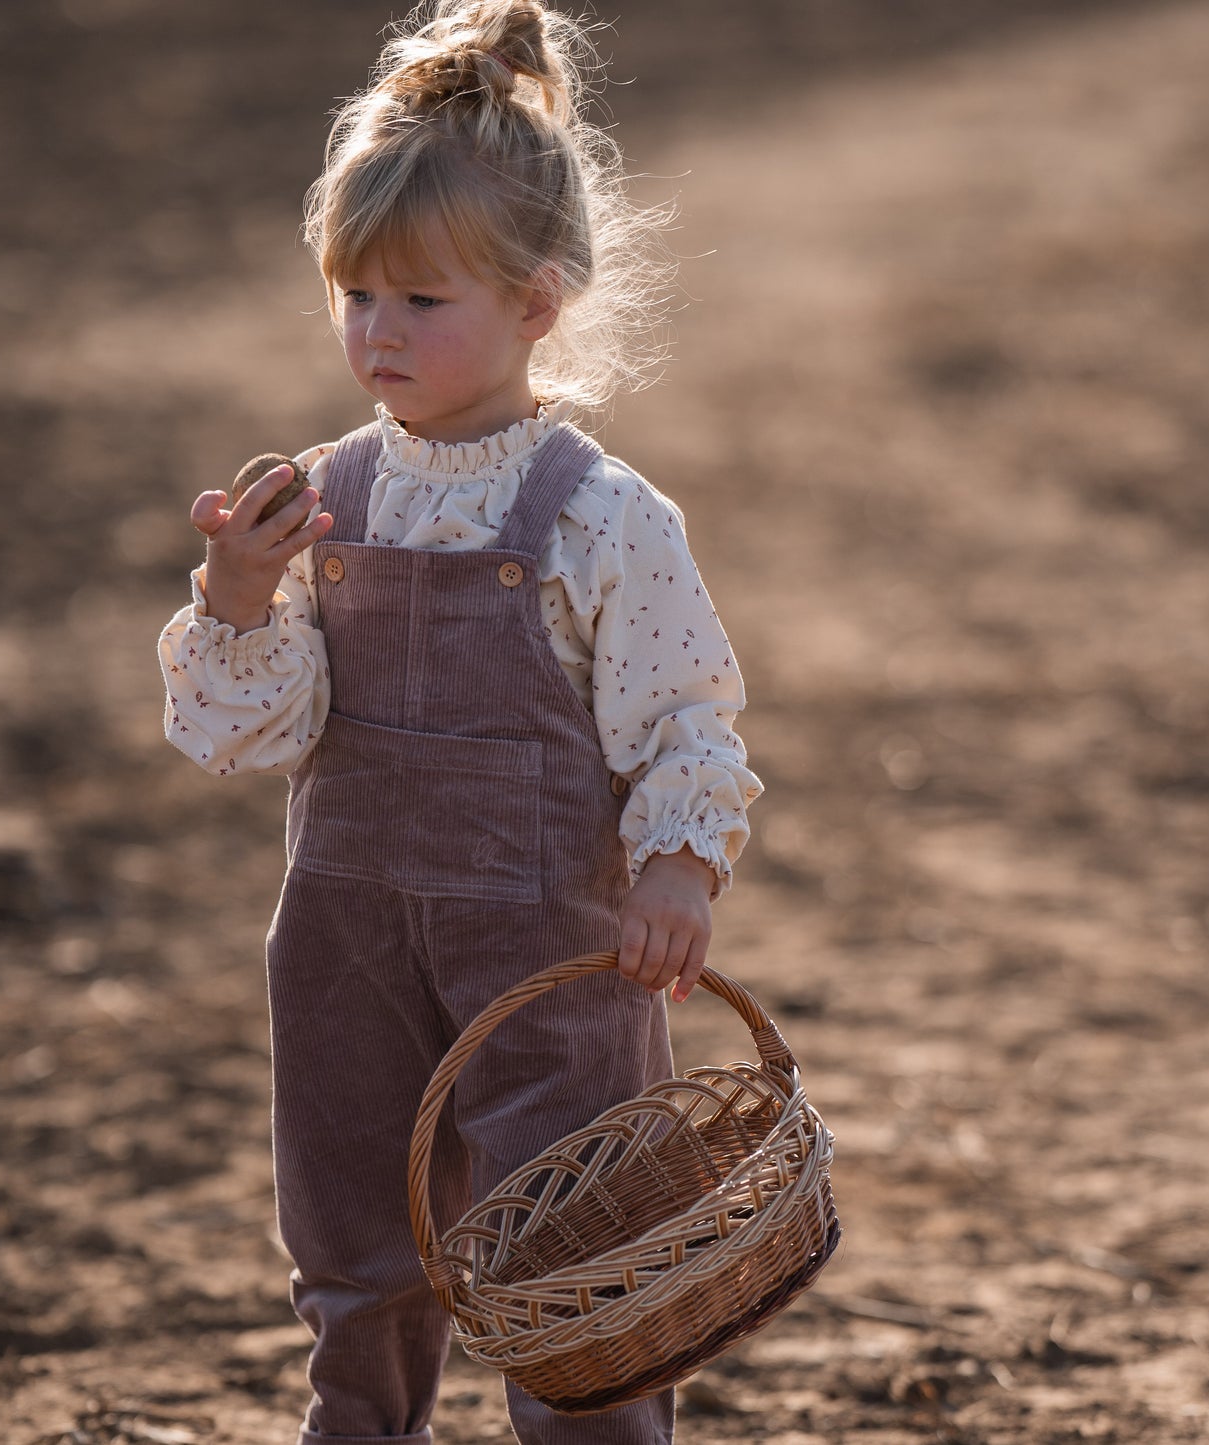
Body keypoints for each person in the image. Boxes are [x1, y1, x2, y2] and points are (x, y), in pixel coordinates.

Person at [158, 3, 762, 1441]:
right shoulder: (324, 499)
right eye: (354, 296)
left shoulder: (598, 516)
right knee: (356, 1245)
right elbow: (252, 731)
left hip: (546, 974)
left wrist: (678, 860)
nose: (377, 332)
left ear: (536, 301)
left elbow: (686, 716)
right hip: (344, 947)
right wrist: (240, 595)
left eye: (420, 302)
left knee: (574, 1262)